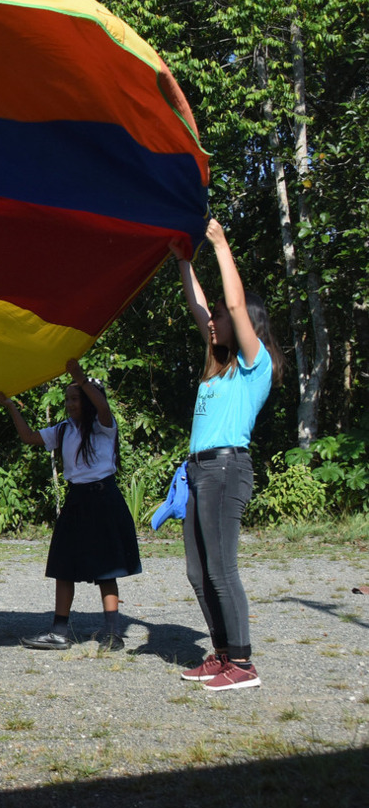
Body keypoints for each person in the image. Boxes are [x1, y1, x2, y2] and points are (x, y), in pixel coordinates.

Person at [175, 219, 284, 691]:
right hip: (199, 471)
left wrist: (219, 244)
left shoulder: (254, 367)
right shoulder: (217, 369)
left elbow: (232, 303)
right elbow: (198, 307)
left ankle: (243, 665)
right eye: (215, 317)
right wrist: (183, 259)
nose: (214, 320)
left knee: (221, 568)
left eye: (222, 318)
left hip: (226, 468)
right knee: (198, 572)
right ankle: (221, 655)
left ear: (246, 326)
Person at [0, 358, 140, 652]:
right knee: (63, 565)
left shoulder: (103, 425)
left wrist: (80, 377)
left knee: (106, 568)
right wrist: (10, 405)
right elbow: (27, 437)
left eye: (76, 399)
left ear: (88, 400)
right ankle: (59, 633)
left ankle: (112, 632)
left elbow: (103, 408)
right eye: (68, 400)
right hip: (77, 500)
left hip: (103, 499)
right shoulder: (63, 430)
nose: (71, 404)